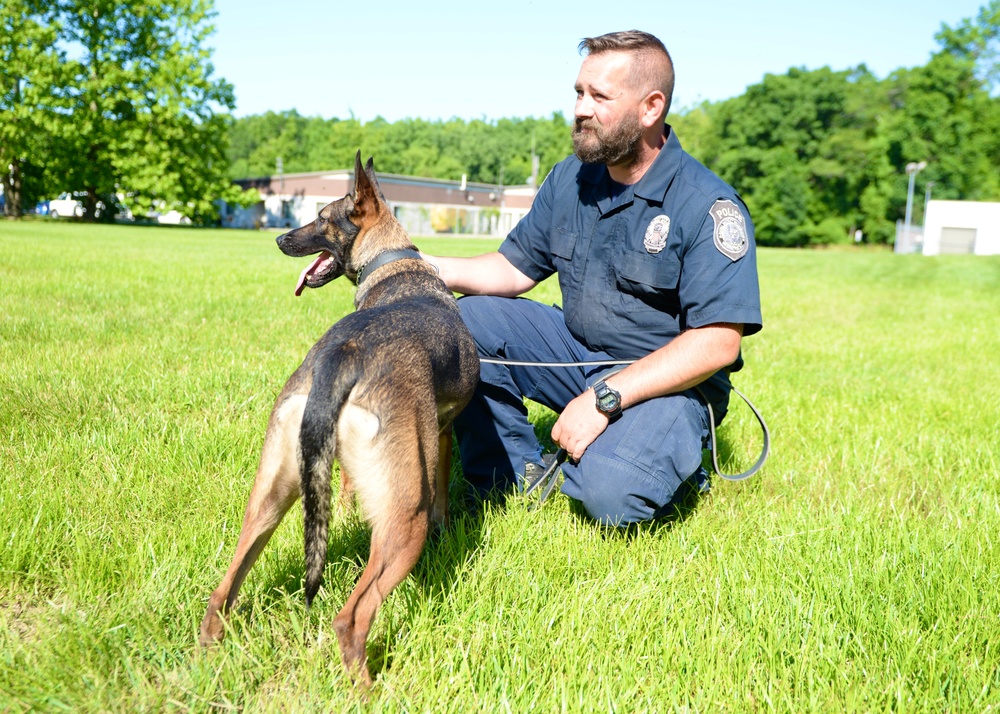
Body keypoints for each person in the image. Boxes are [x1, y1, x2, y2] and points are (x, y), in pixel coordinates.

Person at [422, 30, 762, 526]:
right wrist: (417, 266)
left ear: (650, 108)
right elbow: (512, 268)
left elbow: (717, 344)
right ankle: (512, 481)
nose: (581, 108)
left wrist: (605, 400)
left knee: (609, 496)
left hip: (668, 384)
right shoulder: (572, 178)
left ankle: (672, 464)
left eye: (599, 96)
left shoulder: (706, 203)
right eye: (579, 93)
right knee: (462, 324)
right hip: (575, 352)